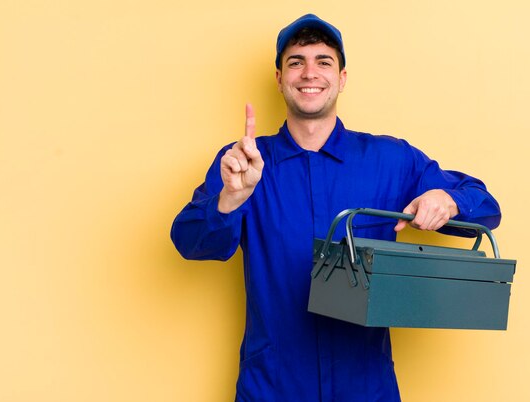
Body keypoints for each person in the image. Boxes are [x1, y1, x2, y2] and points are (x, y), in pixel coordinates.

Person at [171, 14, 501, 402]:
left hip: (365, 387)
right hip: (273, 387)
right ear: (279, 78)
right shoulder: (245, 164)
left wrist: (449, 200)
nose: (309, 72)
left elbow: (485, 206)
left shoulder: (391, 160)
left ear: (342, 77)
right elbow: (188, 242)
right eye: (296, 62)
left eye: (323, 61)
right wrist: (231, 199)